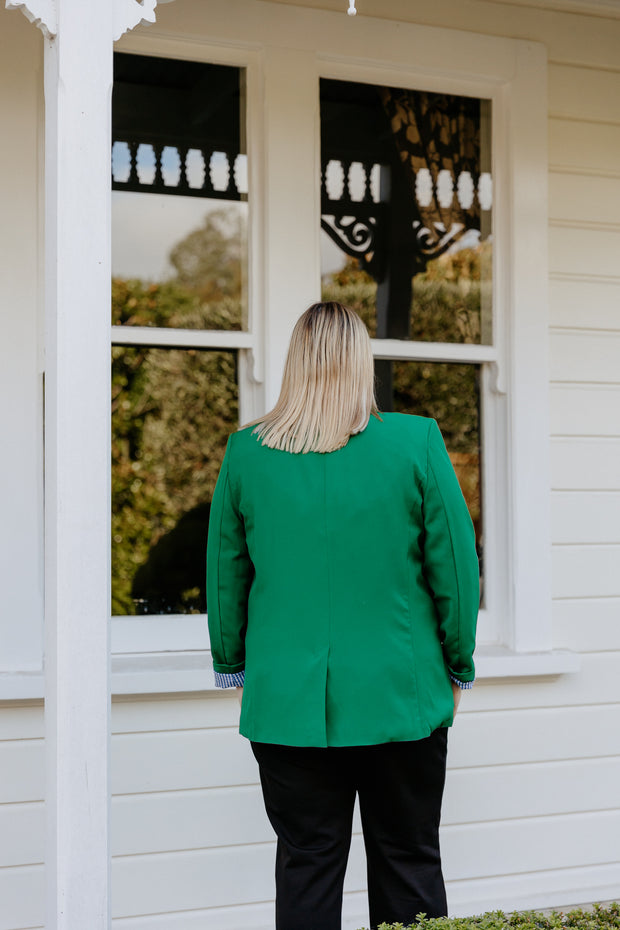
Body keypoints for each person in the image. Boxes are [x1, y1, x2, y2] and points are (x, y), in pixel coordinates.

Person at [206, 301, 479, 930]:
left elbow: (226, 574)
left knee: (307, 865)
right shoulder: (417, 440)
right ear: (362, 362)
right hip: (400, 693)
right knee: (408, 861)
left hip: (288, 702)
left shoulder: (245, 452)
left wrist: (233, 663)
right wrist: (458, 666)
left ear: (294, 363)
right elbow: (456, 572)